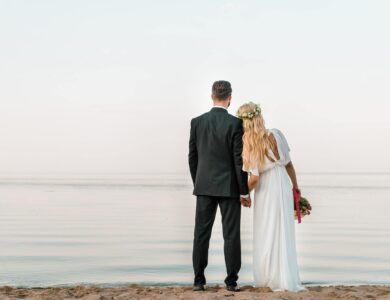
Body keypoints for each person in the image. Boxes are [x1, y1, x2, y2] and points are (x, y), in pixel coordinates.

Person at [236, 102, 306, 292]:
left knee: (267, 231)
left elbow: (255, 178)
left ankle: (269, 277)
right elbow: (289, 165)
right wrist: (296, 189)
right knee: (283, 229)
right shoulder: (277, 133)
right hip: (282, 182)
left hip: (267, 188)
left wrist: (243, 194)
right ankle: (286, 277)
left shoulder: (250, 143)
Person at [188, 80, 250, 292]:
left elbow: (192, 157)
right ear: (230, 97)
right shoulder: (235, 124)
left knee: (201, 234)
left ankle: (198, 281)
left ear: (212, 96)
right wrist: (244, 190)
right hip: (230, 188)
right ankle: (231, 282)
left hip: (203, 186)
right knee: (231, 235)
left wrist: (198, 181)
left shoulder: (197, 122)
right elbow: (238, 161)